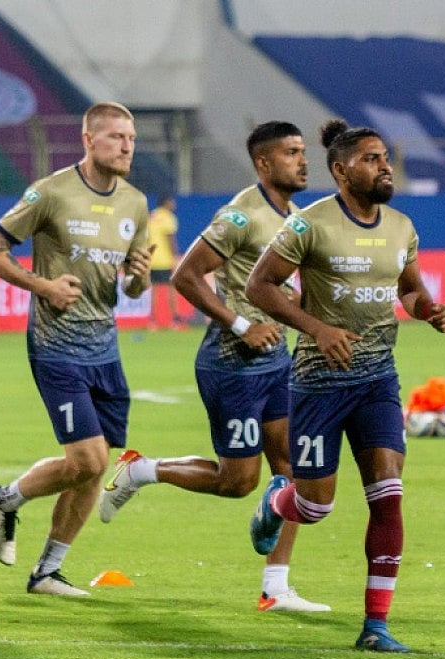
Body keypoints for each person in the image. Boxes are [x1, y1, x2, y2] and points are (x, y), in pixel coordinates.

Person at [97, 121, 329, 612]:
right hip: (232, 364)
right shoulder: (242, 215)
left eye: (304, 151)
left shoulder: (295, 216)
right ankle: (140, 472)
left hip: (276, 361)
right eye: (292, 153)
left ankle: (276, 587)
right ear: (264, 163)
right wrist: (243, 324)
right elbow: (186, 276)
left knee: (294, 469)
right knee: (238, 482)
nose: (303, 161)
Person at [246, 119, 445, 653]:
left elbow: (408, 290)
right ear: (341, 170)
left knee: (388, 496)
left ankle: (376, 625)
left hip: (378, 379)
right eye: (371, 159)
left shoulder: (402, 227)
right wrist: (316, 328)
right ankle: (277, 503)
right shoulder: (307, 227)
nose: (385, 166)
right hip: (318, 381)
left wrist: (427, 310)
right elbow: (259, 286)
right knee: (315, 507)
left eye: (385, 157)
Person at [0, 102, 152, 597]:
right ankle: (4, 498)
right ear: (88, 140)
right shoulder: (50, 193)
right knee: (89, 458)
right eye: (116, 137)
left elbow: (134, 289)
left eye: (131, 139)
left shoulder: (135, 204)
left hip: (105, 348)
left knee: (93, 467)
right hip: (56, 345)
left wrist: (138, 278)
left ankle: (47, 571)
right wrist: (43, 286)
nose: (126, 146)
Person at [146, 194, 183, 329]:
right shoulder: (168, 217)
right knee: (171, 289)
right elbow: (170, 238)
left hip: (153, 259)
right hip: (166, 259)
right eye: (172, 202)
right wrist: (175, 256)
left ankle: (152, 321)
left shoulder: (152, 216)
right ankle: (175, 320)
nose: (174, 204)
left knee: (154, 291)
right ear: (167, 202)